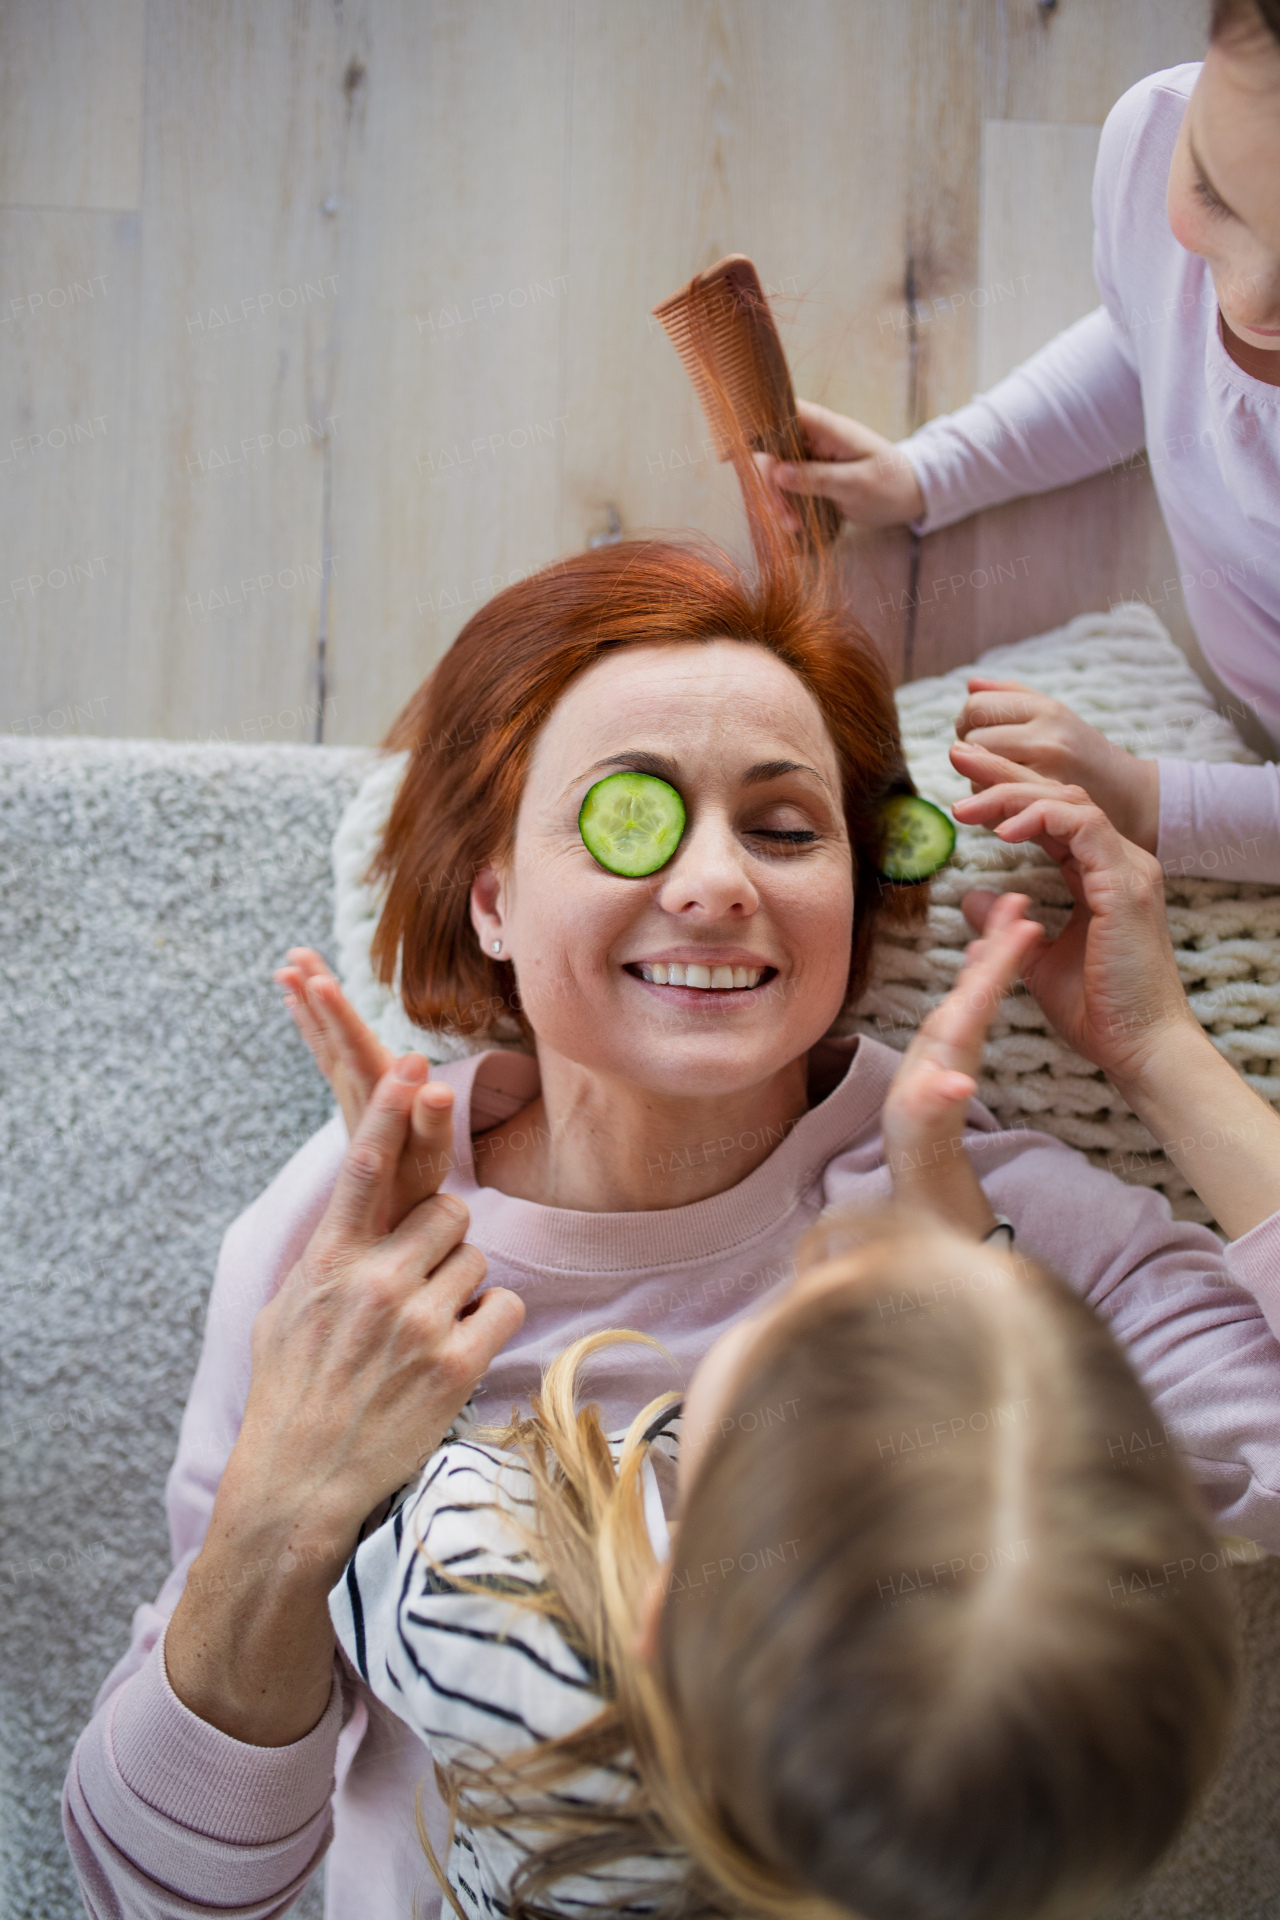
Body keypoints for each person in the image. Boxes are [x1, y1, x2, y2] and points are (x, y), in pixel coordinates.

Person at [62, 527, 1280, 1920]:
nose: (717, 884)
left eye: (784, 827)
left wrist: (1162, 1052)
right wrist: (285, 1504)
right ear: (497, 899)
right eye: (629, 813)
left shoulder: (964, 1203)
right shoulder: (342, 1238)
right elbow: (153, 1897)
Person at [325, 898, 1237, 1920]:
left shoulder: (492, 1614)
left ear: (658, 1617)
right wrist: (965, 1172)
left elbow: (357, 1455)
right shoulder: (979, 1837)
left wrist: (400, 1233)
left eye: (797, 1308)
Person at [761, 0, 1280, 880]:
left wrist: (1148, 798)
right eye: (1213, 195)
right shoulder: (1155, 131)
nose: (1245, 297)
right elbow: (1146, 344)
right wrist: (932, 471)